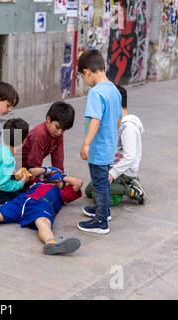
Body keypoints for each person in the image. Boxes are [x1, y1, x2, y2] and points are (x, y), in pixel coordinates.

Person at [77, 49, 122, 235]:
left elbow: (95, 120)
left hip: (98, 147)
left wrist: (86, 143)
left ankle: (101, 221)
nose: (85, 81)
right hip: (109, 145)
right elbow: (119, 118)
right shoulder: (114, 90)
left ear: (87, 72)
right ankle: (104, 210)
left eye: (83, 77)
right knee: (102, 181)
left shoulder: (96, 93)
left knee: (99, 183)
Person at [84, 85, 146, 217]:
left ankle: (131, 190)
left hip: (125, 171)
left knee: (97, 192)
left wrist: (112, 173)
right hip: (117, 166)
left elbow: (129, 157)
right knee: (89, 190)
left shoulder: (128, 127)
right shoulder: (120, 122)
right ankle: (128, 184)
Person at [22, 101, 75, 179]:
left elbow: (58, 161)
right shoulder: (39, 134)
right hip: (19, 170)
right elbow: (34, 166)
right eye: (57, 127)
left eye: (63, 130)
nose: (60, 132)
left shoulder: (58, 135)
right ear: (48, 119)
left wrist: (60, 178)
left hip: (33, 169)